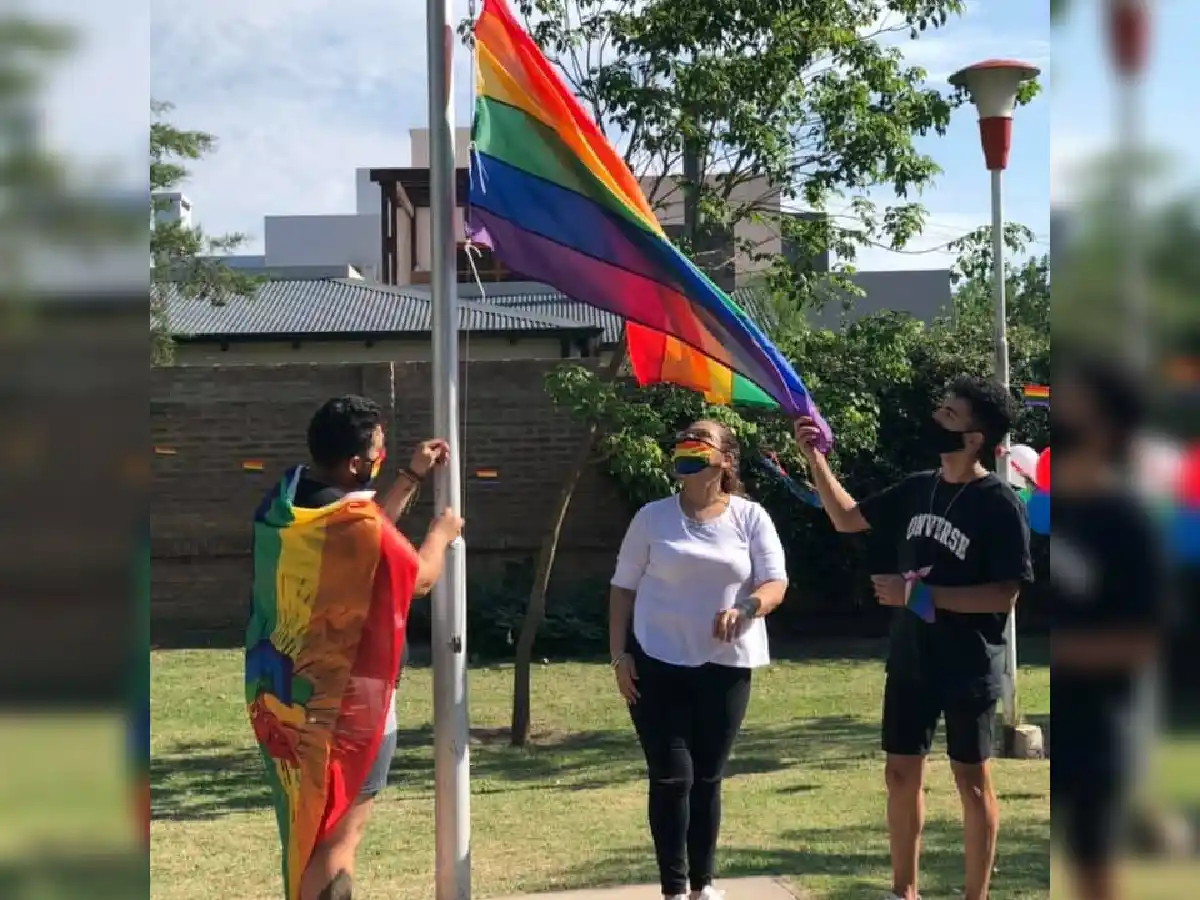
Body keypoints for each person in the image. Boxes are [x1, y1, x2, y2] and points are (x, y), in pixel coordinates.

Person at [794, 376, 1032, 900]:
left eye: (948, 414)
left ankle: (976, 895)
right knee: (900, 775)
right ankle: (904, 891)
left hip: (968, 664)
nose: (936, 418)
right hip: (911, 660)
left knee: (971, 783)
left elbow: (1003, 596)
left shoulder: (999, 503)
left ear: (973, 437)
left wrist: (919, 598)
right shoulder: (917, 485)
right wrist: (815, 459)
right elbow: (846, 518)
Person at [249, 395, 463, 900]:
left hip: (285, 697)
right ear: (354, 463)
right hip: (349, 709)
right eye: (379, 452)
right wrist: (442, 533)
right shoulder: (356, 525)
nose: (381, 458)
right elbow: (419, 578)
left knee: (307, 833)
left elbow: (365, 532)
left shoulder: (286, 502)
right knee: (338, 843)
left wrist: (409, 477)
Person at [609, 419, 789, 900]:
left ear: (725, 460)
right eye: (685, 435)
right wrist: (619, 655)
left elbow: (775, 583)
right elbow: (622, 589)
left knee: (707, 776)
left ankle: (702, 885)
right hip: (655, 660)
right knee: (672, 777)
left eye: (702, 438)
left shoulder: (750, 517)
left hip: (726, 665)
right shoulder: (651, 517)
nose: (689, 443)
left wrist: (747, 607)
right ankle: (672, 889)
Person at [1051, 357, 1169, 900]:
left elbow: (1138, 641)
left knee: (1092, 866)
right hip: (1059, 722)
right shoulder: (1051, 511)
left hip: (1096, 727)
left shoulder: (1125, 521)